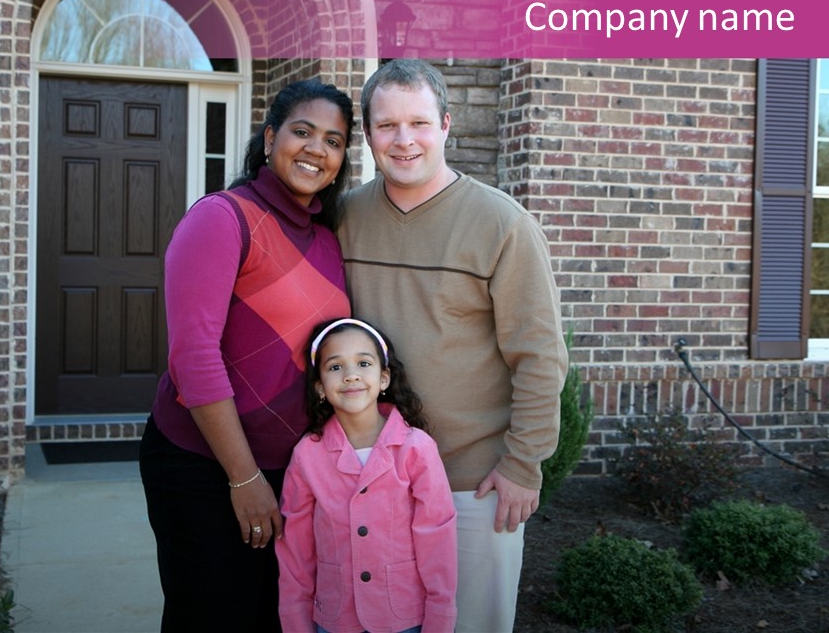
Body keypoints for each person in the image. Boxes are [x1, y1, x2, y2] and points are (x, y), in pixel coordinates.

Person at [337, 59, 568, 632]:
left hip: (473, 482)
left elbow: (539, 355)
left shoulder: (501, 224)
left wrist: (523, 465)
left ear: (445, 125)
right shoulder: (345, 216)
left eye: (418, 122)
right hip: (370, 475)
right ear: (368, 135)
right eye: (387, 125)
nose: (404, 139)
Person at [139, 79, 355, 632]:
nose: (316, 149)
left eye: (333, 140)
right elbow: (194, 358)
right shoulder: (222, 217)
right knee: (211, 618)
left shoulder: (328, 239)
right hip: (204, 468)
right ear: (268, 139)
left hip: (290, 472)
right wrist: (243, 477)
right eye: (302, 132)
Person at [276, 317, 457, 633]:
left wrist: (439, 622)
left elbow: (437, 540)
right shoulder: (307, 455)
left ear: (384, 378)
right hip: (334, 619)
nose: (351, 376)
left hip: (404, 619)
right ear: (319, 387)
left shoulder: (417, 449)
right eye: (335, 367)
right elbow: (296, 552)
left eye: (363, 362)